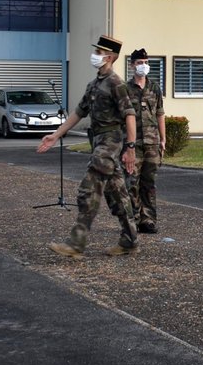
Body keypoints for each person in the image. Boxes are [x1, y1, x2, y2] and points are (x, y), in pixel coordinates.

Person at [37, 34, 139, 258]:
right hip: (98, 142)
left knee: (89, 190)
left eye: (100, 53)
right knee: (118, 194)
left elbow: (129, 115)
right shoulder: (94, 84)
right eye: (96, 52)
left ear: (110, 57)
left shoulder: (116, 83)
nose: (95, 56)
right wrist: (55, 135)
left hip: (110, 141)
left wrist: (130, 147)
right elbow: (78, 113)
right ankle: (130, 240)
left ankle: (76, 243)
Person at [125, 48, 167, 234]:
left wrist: (163, 139)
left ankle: (148, 219)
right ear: (132, 65)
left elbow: (160, 114)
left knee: (149, 183)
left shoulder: (154, 87)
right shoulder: (126, 89)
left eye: (145, 62)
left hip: (152, 143)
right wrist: (126, 146)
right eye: (139, 62)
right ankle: (132, 219)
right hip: (134, 144)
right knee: (132, 182)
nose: (143, 66)